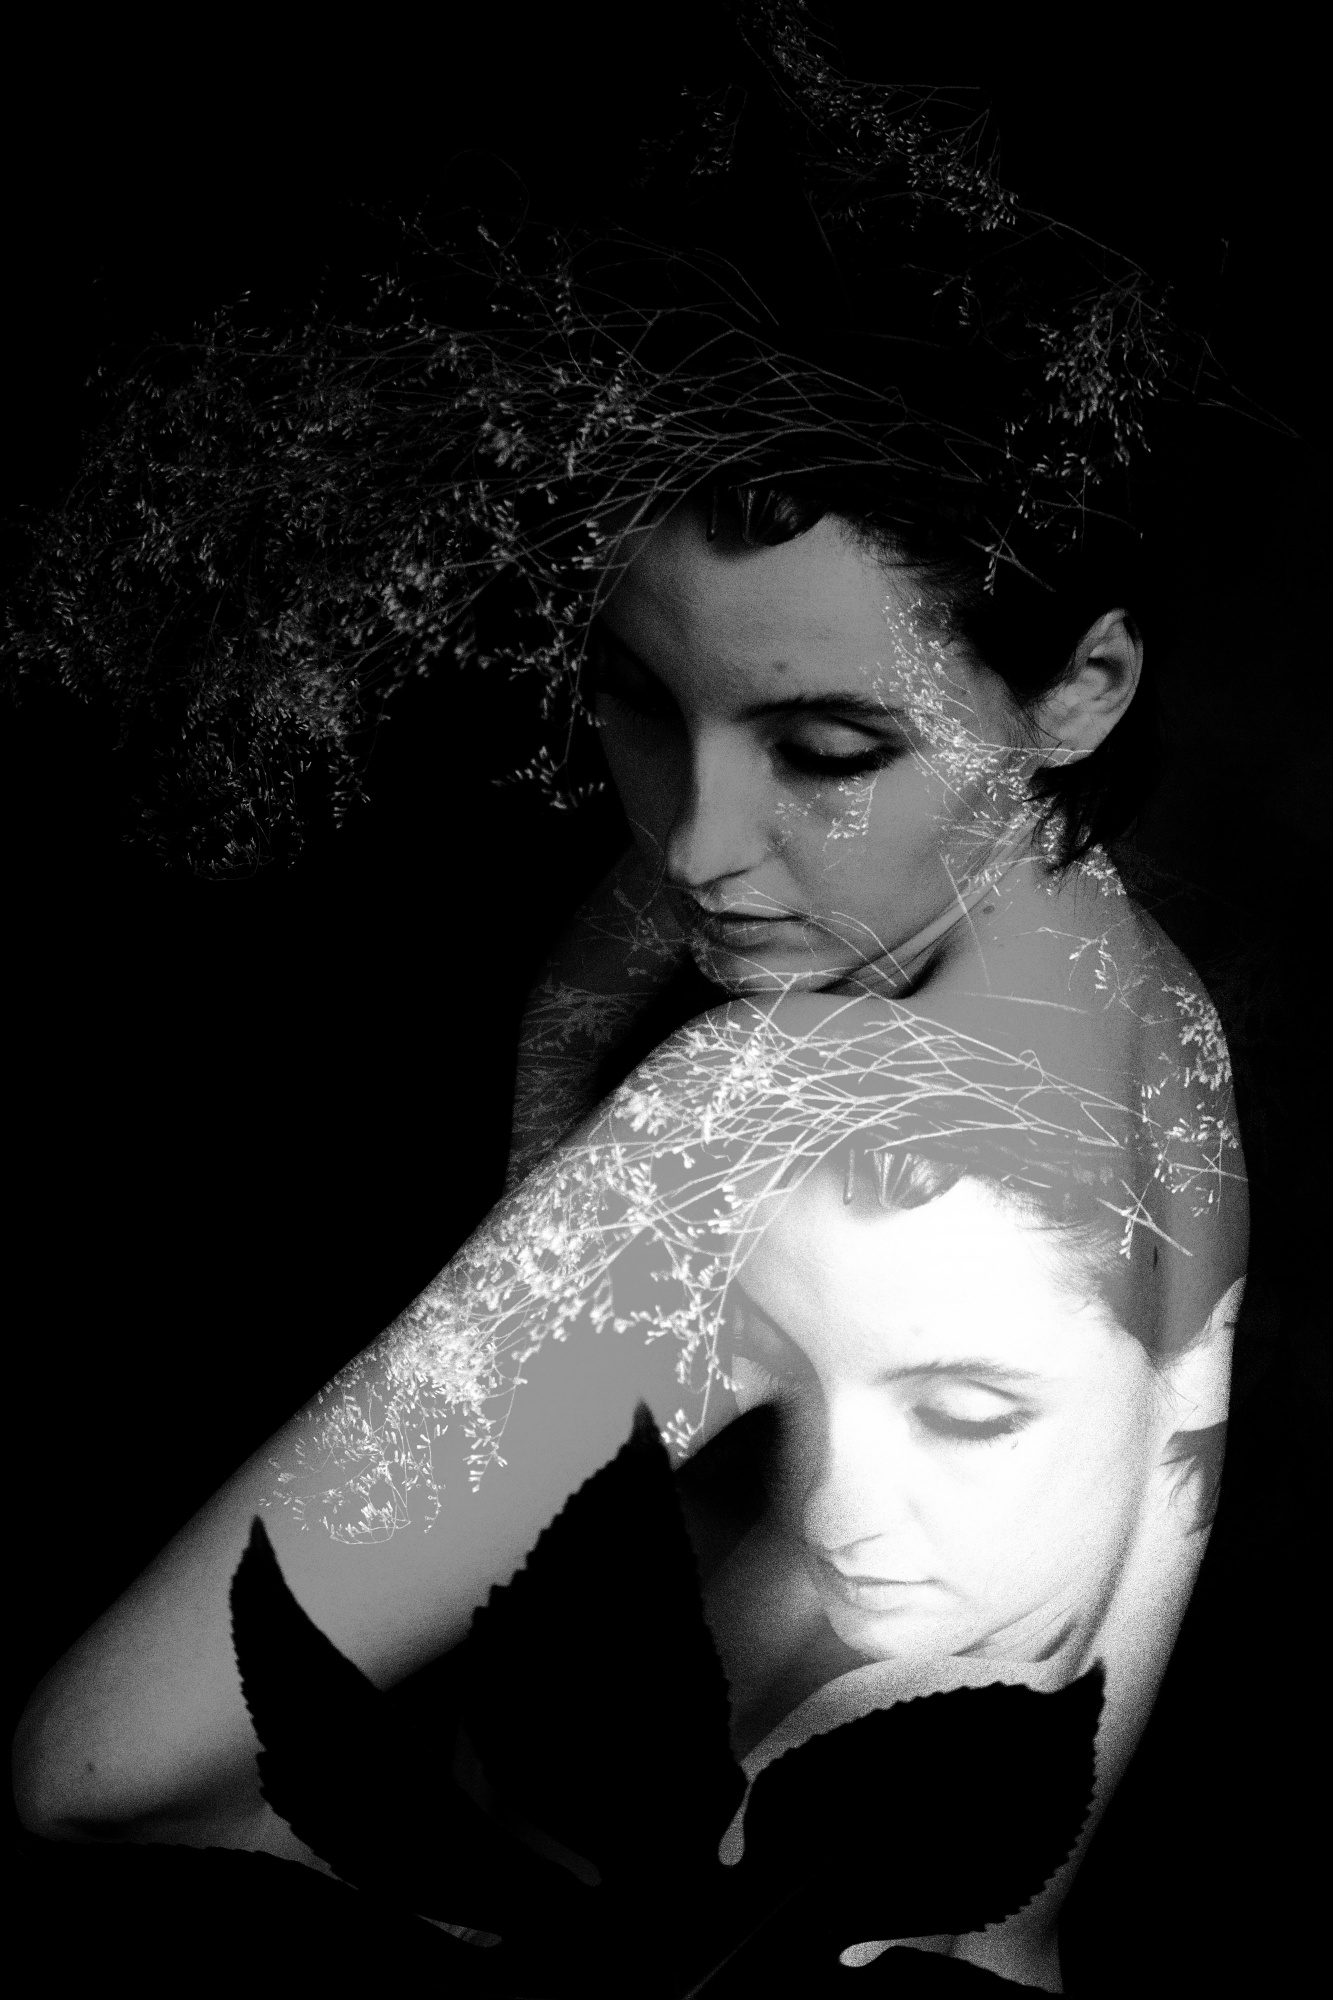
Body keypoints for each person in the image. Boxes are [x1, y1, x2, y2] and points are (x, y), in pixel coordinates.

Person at [12, 468, 1248, 1991]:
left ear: (1085, 685)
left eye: (827, 750)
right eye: (637, 701)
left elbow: (99, 1776)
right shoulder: (1143, 995)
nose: (691, 846)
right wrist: (562, 1206)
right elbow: (646, 921)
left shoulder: (757, 1122)